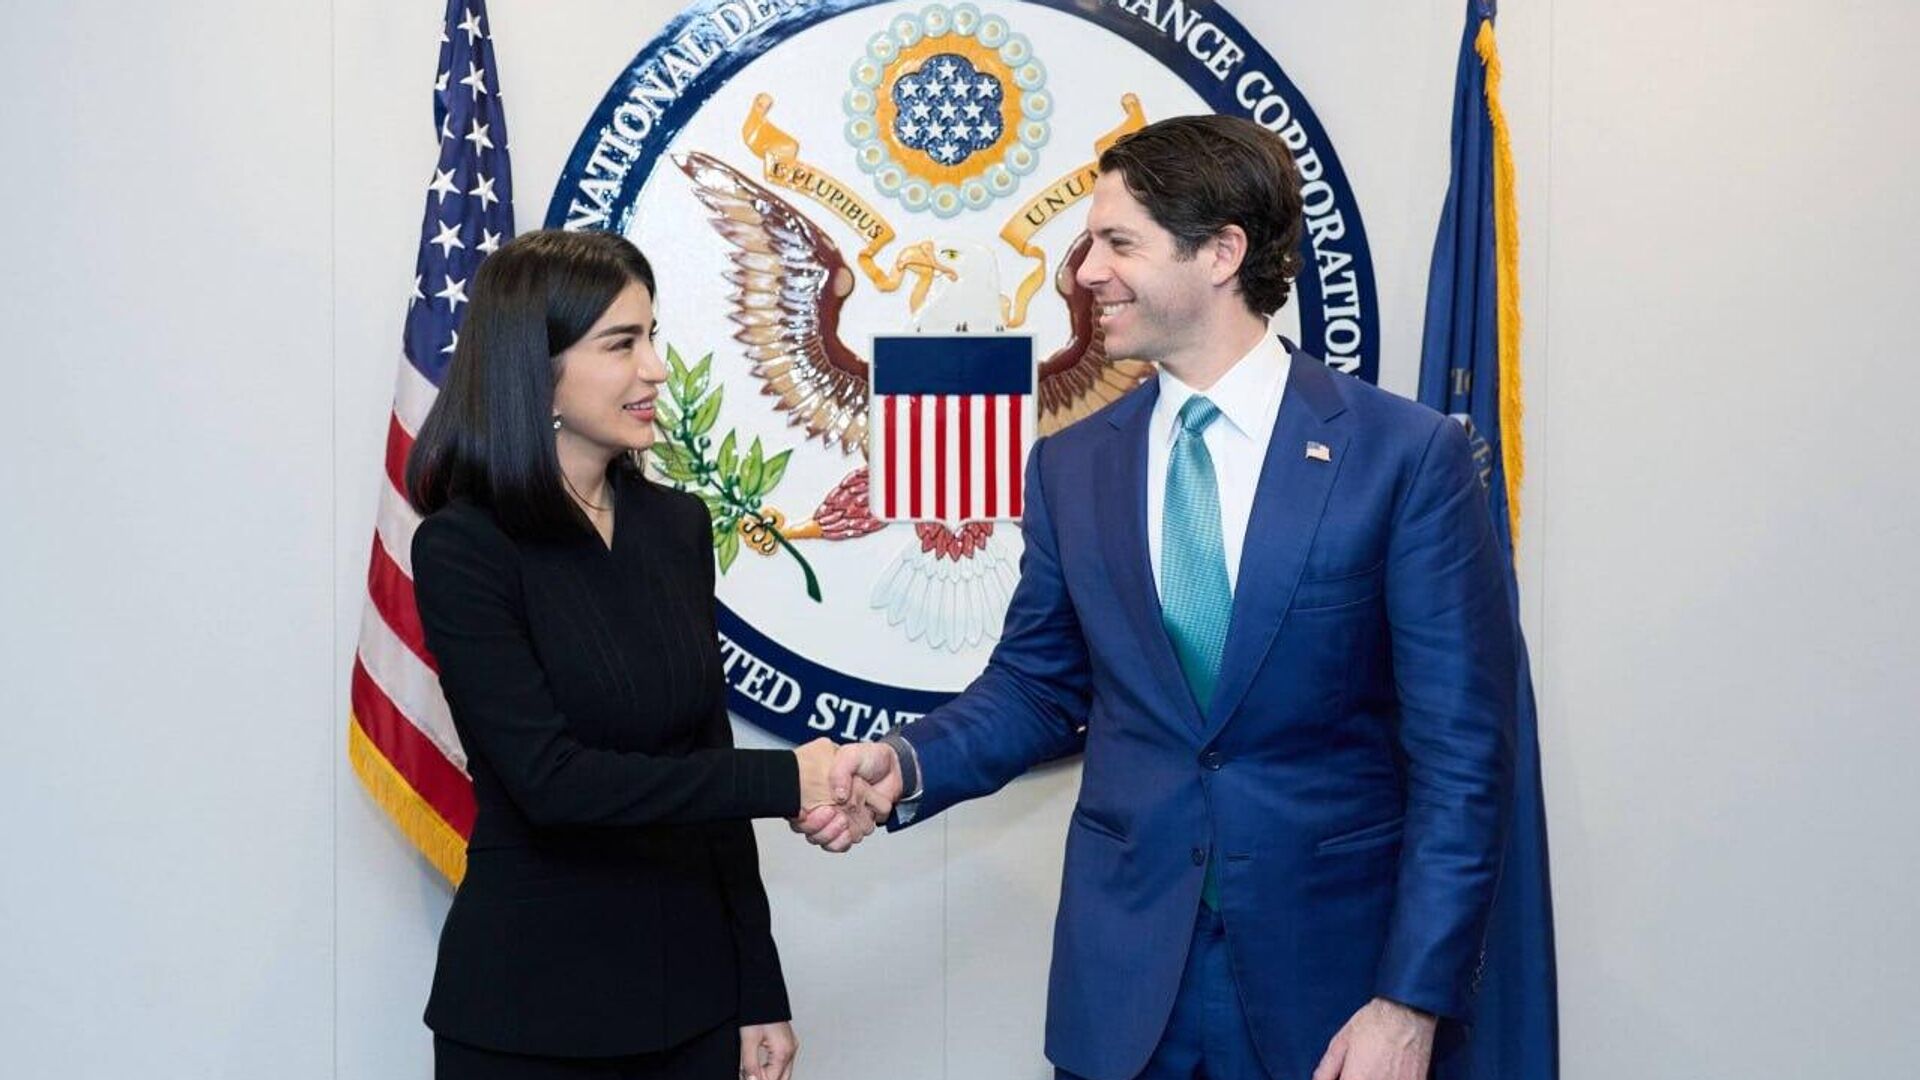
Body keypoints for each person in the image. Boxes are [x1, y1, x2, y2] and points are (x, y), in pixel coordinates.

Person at [802, 116, 1518, 1080]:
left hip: (1333, 992)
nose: (1087, 272)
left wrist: (1410, 1002)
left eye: (1118, 243)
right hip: (1124, 988)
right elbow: (1038, 687)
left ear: (1221, 253)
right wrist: (905, 763)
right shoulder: (1071, 465)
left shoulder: (1403, 456)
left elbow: (1462, 759)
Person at [406, 229, 876, 1080]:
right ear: (536, 367)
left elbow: (704, 753)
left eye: (651, 336)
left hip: (693, 1007)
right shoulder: (463, 547)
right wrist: (788, 780)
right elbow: (552, 783)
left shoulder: (676, 526)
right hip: (531, 1019)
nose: (656, 369)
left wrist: (758, 987)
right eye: (622, 344)